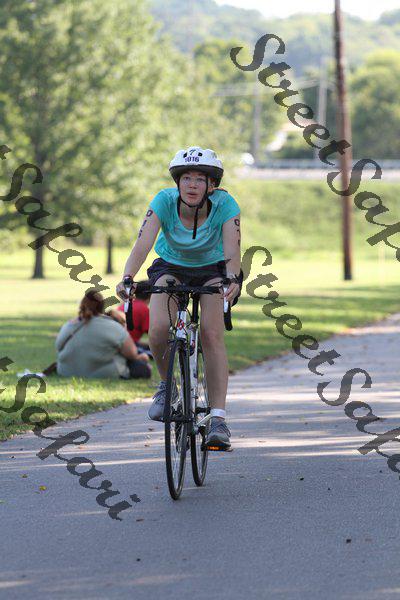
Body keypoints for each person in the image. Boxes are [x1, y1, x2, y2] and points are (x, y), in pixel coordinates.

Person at [116, 146, 243, 450]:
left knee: (211, 334)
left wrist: (232, 280)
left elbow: (232, 249)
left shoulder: (225, 204)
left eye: (200, 179)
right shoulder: (164, 200)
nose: (192, 185)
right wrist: (127, 277)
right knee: (159, 328)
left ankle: (218, 419)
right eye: (186, 178)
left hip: (213, 269)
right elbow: (143, 243)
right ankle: (167, 387)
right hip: (171, 267)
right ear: (178, 182)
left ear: (212, 185)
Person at [56, 290, 151, 379]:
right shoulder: (113, 326)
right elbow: (132, 354)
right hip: (105, 373)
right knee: (142, 367)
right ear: (102, 306)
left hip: (65, 371)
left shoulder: (68, 325)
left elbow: (58, 347)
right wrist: (142, 357)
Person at [116, 280, 151, 355]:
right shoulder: (144, 309)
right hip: (127, 344)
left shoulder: (125, 304)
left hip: (116, 341)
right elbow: (152, 334)